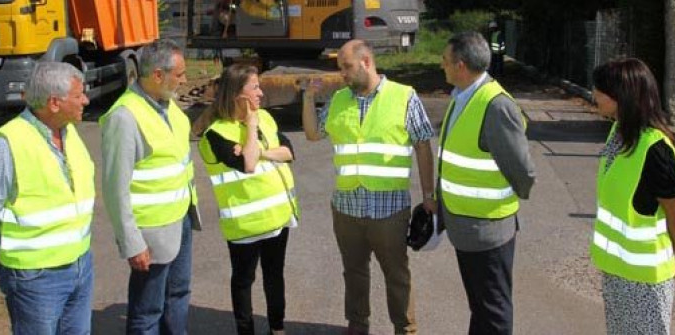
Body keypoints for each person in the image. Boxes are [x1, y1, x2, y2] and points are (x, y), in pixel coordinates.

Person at [301, 39, 435, 335]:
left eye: (346, 67)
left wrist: (429, 196)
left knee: (397, 275)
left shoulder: (404, 96)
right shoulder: (339, 100)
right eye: (340, 69)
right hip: (347, 208)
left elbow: (423, 146)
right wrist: (308, 98)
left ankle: (406, 329)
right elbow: (312, 134)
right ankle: (357, 325)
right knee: (354, 273)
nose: (342, 74)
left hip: (388, 210)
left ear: (366, 62)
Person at [0, 61, 93, 334]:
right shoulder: (6, 144)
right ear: (54, 103)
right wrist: (9, 256)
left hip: (81, 264)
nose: (86, 99)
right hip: (35, 276)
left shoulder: (69, 132)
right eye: (78, 95)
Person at [437, 32, 535, 335]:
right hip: (466, 226)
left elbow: (524, 173)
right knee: (480, 306)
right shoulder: (462, 97)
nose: (441, 66)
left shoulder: (495, 106)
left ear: (461, 66)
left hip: (488, 229)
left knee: (493, 309)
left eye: (445, 61)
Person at [100, 38, 198, 335]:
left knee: (178, 296)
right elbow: (115, 189)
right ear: (157, 75)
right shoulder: (125, 117)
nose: (185, 80)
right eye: (179, 75)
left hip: (179, 220)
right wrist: (132, 243)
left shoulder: (168, 106)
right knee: (147, 312)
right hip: (150, 234)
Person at [195, 64, 298, 335]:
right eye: (255, 87)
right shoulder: (216, 133)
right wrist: (252, 128)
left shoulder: (267, 118)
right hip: (244, 224)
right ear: (238, 94)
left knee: (275, 276)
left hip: (277, 217)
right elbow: (248, 165)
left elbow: (289, 152)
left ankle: (278, 329)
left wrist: (260, 150)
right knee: (243, 280)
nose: (261, 93)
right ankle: (246, 331)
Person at [590, 58, 675, 335]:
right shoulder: (619, 132)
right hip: (617, 271)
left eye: (599, 89)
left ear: (620, 96)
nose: (594, 95)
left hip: (646, 279)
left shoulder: (656, 149)